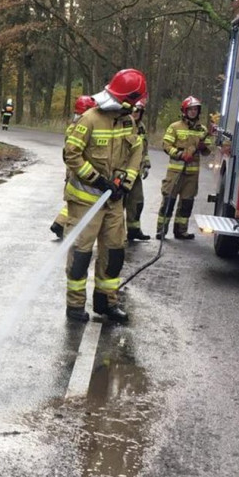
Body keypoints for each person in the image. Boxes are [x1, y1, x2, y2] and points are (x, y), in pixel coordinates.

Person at [62, 68, 146, 323]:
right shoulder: (89, 119)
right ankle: (75, 306)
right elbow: (71, 155)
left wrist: (125, 182)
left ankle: (106, 302)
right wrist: (98, 180)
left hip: (114, 202)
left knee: (114, 253)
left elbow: (136, 152)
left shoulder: (128, 122)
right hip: (85, 202)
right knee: (81, 255)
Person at [156, 96, 214, 240]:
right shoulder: (175, 127)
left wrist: (203, 147)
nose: (193, 112)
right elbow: (166, 145)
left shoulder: (202, 130)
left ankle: (181, 231)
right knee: (168, 201)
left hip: (191, 175)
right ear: (184, 111)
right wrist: (180, 154)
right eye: (190, 109)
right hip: (175, 172)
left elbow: (207, 151)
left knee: (187, 203)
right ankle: (161, 231)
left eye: (195, 109)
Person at [50, 94, 97, 239]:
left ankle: (60, 222)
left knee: (74, 200)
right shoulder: (81, 127)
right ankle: (63, 225)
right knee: (78, 201)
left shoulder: (73, 126)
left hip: (72, 168)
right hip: (78, 168)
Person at [125, 98, 152, 242]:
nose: (136, 114)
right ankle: (115, 234)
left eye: (139, 111)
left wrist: (146, 164)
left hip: (136, 172)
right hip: (123, 171)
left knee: (137, 201)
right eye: (134, 110)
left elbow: (144, 149)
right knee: (119, 203)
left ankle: (134, 230)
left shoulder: (141, 127)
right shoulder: (123, 125)